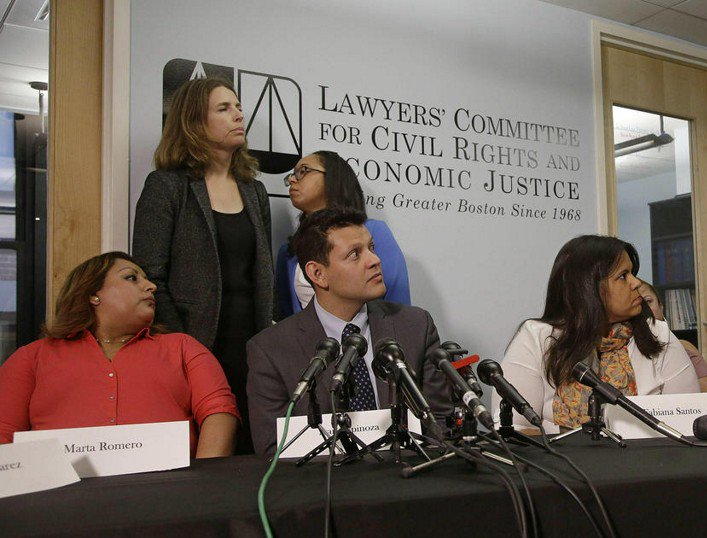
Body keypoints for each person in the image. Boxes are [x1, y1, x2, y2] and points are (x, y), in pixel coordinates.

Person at [132, 77, 274, 454]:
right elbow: (149, 277)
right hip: (193, 344)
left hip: (253, 345)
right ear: (194, 121)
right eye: (224, 108)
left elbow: (263, 275)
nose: (238, 115)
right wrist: (184, 347)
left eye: (238, 106)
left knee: (253, 449)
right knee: (206, 456)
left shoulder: (254, 190)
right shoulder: (166, 185)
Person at [247, 208, 449, 456]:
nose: (374, 260)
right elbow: (274, 449)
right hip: (323, 478)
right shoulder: (270, 349)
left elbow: (440, 424)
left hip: (407, 472)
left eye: (371, 248)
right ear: (318, 274)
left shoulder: (415, 326)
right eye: (355, 254)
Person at [0, 252, 239, 458]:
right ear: (93, 293)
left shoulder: (184, 348)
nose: (151, 286)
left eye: (146, 279)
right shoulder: (31, 358)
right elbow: (4, 436)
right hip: (56, 494)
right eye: (131, 278)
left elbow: (219, 411)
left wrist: (200, 485)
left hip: (167, 492)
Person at [498, 235, 701, 431]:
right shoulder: (536, 338)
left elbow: (690, 419)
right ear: (588, 287)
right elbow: (513, 428)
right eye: (623, 276)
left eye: (632, 273)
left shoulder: (658, 334)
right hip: (558, 454)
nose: (636, 283)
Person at [275, 150, 410, 319]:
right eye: (292, 175)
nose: (292, 180)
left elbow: (398, 308)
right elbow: (288, 320)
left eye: (304, 171)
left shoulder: (374, 232)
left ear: (333, 178)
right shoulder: (288, 253)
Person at [637, 280, 707, 393]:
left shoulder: (684, 347)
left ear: (661, 307)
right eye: (639, 304)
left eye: (648, 301)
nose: (645, 309)